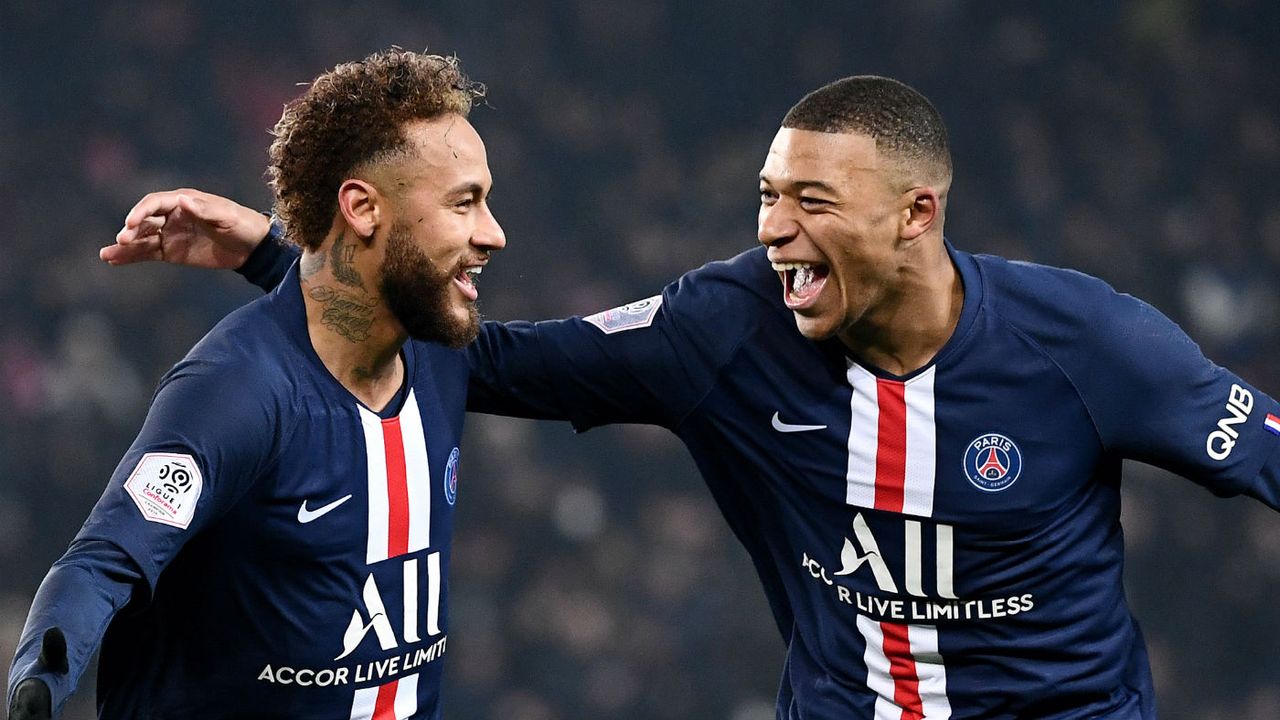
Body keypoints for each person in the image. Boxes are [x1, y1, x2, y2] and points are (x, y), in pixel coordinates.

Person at [98, 76, 1280, 719]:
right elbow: (489, 358)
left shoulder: (1088, 343)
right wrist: (289, 259)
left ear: (915, 216)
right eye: (767, 195)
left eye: (810, 200)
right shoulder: (724, 326)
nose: (773, 230)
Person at [6, 48, 505, 719]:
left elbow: (611, 358)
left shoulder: (445, 350)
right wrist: (36, 683)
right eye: (464, 202)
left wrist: (268, 251)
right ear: (362, 207)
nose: (492, 233)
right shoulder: (238, 389)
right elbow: (103, 562)